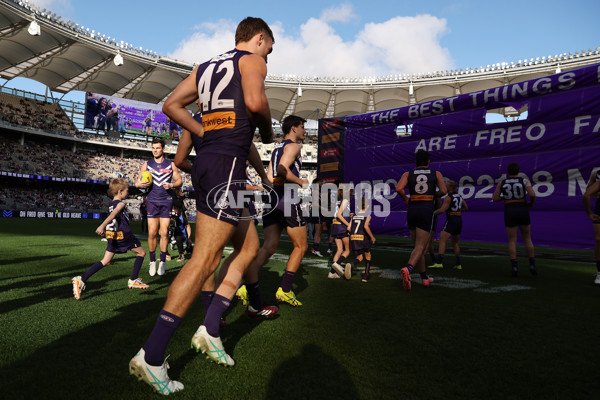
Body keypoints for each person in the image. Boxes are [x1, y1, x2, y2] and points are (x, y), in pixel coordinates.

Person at [129, 17, 275, 395]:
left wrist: (205, 132)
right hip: (227, 166)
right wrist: (269, 130)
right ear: (259, 39)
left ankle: (210, 330)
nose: (268, 59)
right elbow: (258, 104)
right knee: (205, 259)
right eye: (269, 50)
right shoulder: (251, 61)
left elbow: (172, 105)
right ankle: (153, 354)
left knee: (249, 247)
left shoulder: (205, 67)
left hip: (220, 165)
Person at [237, 115, 309, 309]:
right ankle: (285, 290)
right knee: (301, 246)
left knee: (269, 246)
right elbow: (282, 169)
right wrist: (300, 181)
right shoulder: (294, 146)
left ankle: (245, 288)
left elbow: (269, 177)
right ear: (293, 128)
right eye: (302, 127)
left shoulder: (277, 148)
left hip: (272, 199)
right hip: (287, 197)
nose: (305, 131)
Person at [71, 178, 148, 299]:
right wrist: (102, 226)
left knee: (105, 261)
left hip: (113, 236)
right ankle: (133, 280)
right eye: (127, 190)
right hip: (124, 235)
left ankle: (81, 279)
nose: (128, 193)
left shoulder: (111, 203)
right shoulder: (121, 203)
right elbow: (113, 216)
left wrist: (107, 232)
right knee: (142, 253)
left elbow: (112, 216)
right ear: (120, 191)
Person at [396, 150, 447, 290]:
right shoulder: (436, 173)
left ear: (416, 162)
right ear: (428, 162)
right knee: (420, 247)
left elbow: (399, 188)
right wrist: (432, 194)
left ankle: (424, 277)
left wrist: (406, 198)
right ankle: (408, 268)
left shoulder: (408, 174)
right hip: (426, 209)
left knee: (417, 247)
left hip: (412, 209)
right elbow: (443, 191)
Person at [135, 137, 182, 277]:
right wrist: (140, 184)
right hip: (152, 201)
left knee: (164, 232)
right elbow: (136, 182)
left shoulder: (170, 164)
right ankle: (152, 261)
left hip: (166, 201)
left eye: (157, 148)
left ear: (163, 149)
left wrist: (172, 185)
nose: (155, 150)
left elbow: (179, 180)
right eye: (153, 148)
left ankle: (162, 261)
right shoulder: (147, 164)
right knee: (151, 233)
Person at [492, 162, 537, 277]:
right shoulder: (524, 180)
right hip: (522, 208)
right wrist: (530, 203)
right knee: (527, 238)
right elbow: (532, 194)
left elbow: (495, 198)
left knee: (512, 240)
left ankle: (514, 266)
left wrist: (506, 196)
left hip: (510, 209)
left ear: (508, 172)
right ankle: (532, 264)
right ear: (518, 170)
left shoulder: (502, 182)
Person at [430, 180, 468, 269]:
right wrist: (457, 211)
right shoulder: (459, 196)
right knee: (455, 243)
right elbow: (466, 207)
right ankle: (458, 264)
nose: (444, 187)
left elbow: (442, 210)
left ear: (450, 187)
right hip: (459, 220)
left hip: (451, 220)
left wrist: (432, 213)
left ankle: (439, 262)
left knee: (442, 240)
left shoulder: (448, 197)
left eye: (446, 185)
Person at [347, 196, 376, 282]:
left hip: (354, 238)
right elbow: (366, 226)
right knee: (368, 255)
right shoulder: (367, 216)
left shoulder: (354, 216)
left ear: (357, 206)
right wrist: (372, 237)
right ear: (367, 206)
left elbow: (348, 228)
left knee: (360, 257)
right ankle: (366, 275)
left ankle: (351, 264)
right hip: (363, 238)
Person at [330, 185, 352, 279]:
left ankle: (332, 273)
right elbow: (339, 215)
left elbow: (337, 213)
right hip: (342, 227)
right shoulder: (345, 200)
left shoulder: (338, 201)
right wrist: (348, 225)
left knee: (339, 250)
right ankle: (337, 264)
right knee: (347, 250)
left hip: (336, 226)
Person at [583, 170, 600, 284]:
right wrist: (589, 213)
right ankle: (599, 272)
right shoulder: (596, 173)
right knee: (599, 239)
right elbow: (587, 193)